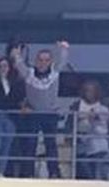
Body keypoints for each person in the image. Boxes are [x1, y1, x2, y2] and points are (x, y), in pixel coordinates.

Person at [11, 41, 69, 179]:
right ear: (36, 61)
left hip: (50, 114)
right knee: (30, 144)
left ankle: (54, 173)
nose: (43, 63)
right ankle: (27, 173)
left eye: (46, 60)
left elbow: (62, 61)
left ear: (50, 62)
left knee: (51, 144)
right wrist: (16, 54)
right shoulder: (29, 73)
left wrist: (63, 48)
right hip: (33, 114)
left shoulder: (54, 72)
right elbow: (19, 64)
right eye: (40, 60)